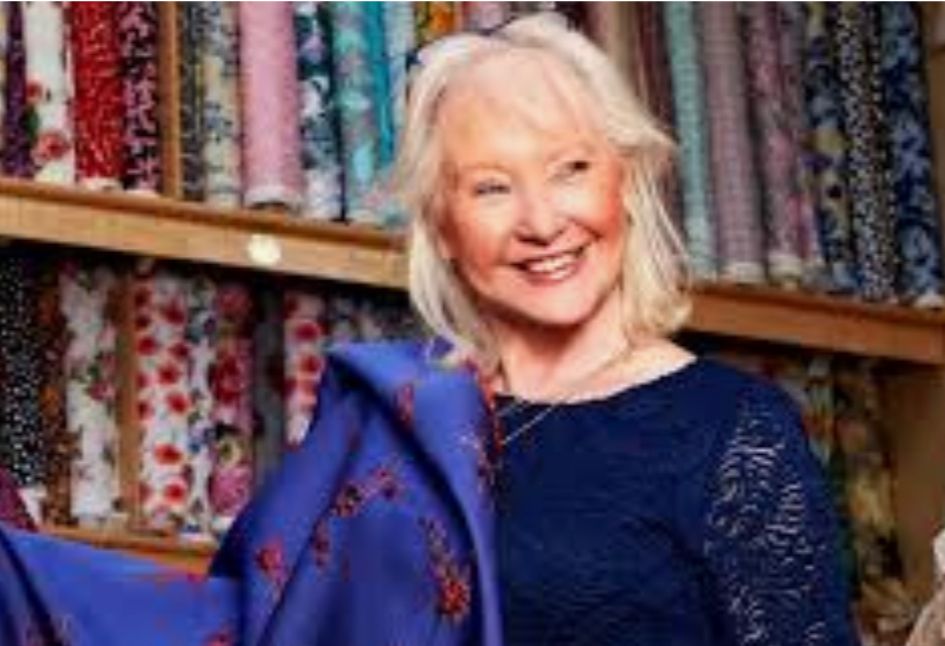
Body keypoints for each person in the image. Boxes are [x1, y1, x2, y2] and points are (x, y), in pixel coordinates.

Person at [0, 11, 858, 646]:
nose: (541, 222)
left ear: (624, 184)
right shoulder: (396, 417)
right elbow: (249, 624)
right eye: (491, 188)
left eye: (569, 169)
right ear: (441, 226)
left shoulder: (732, 430)